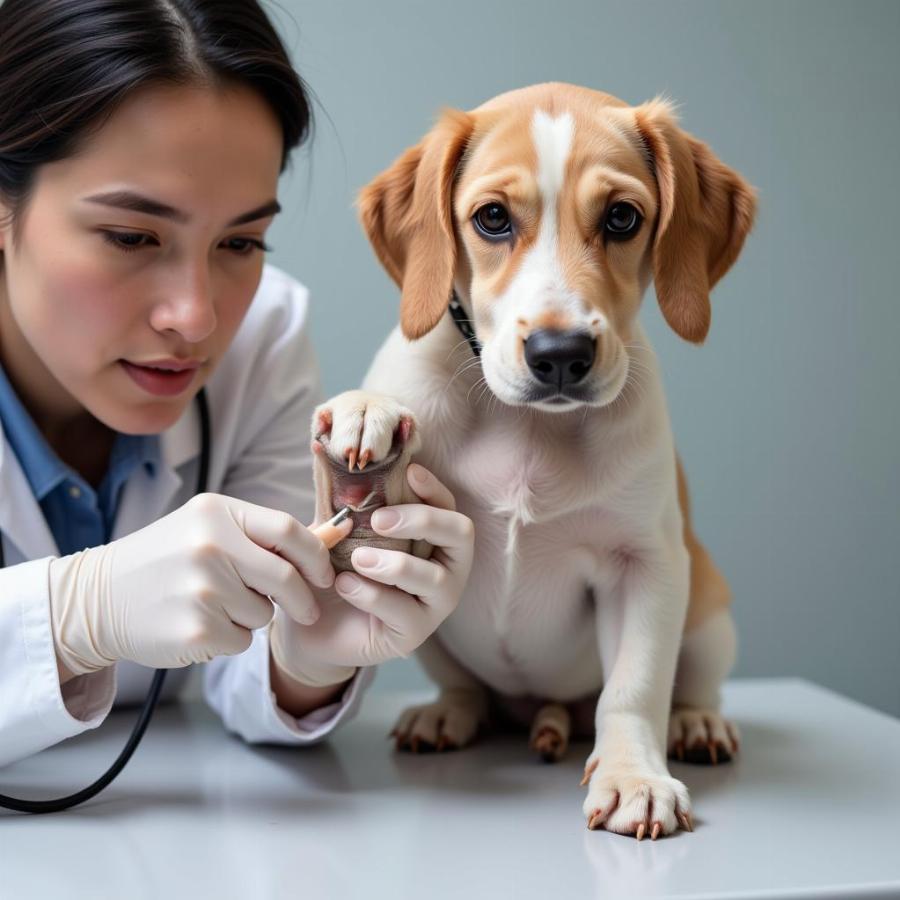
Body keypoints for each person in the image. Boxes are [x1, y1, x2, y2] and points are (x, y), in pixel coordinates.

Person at [0, 0, 474, 768]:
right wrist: (70, 615)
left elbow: (242, 672)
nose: (195, 317)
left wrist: (307, 658)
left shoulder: (263, 337)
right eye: (131, 236)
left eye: (241, 242)